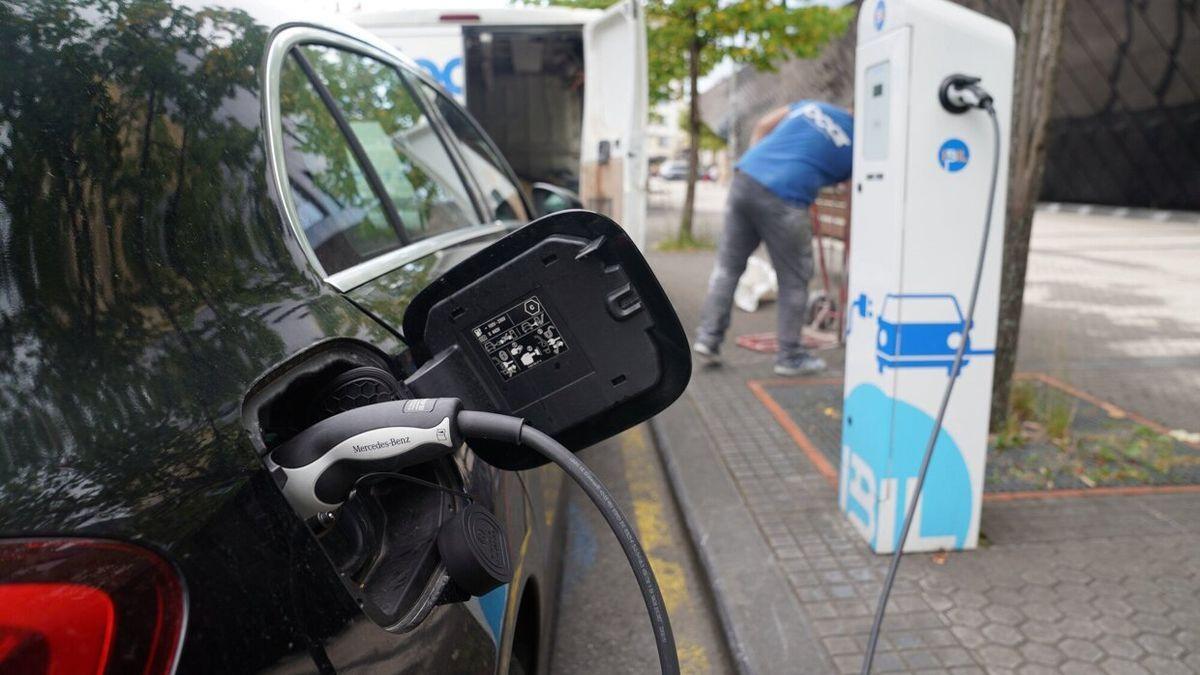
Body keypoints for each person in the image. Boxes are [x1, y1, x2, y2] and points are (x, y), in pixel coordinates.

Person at [693, 100, 853, 376]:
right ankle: (790, 356)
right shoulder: (860, 145)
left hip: (746, 177)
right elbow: (853, 188)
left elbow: (762, 125)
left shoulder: (812, 106)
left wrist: (762, 165)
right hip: (786, 198)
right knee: (794, 279)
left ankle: (708, 339)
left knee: (728, 268)